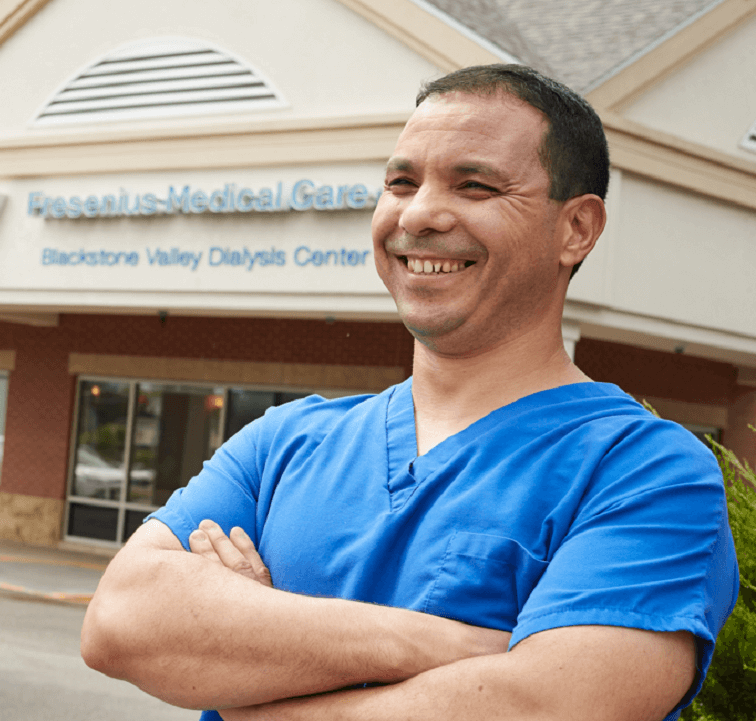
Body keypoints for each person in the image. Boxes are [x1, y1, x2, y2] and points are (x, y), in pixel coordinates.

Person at [81, 64, 739, 721]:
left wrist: (258, 652)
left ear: (576, 228)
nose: (419, 213)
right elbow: (120, 621)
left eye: (474, 184)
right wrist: (449, 645)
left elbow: (546, 705)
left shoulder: (646, 471)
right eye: (400, 181)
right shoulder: (280, 444)